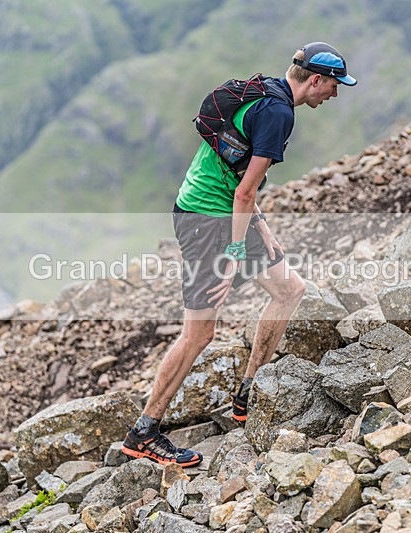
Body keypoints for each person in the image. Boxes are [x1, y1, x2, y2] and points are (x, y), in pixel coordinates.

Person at [121, 42, 357, 466]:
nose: (334, 95)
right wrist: (233, 254)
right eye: (334, 86)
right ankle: (144, 432)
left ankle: (248, 393)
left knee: (289, 289)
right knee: (199, 334)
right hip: (205, 220)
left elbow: (238, 174)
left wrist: (260, 227)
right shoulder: (280, 114)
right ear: (317, 80)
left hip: (228, 212)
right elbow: (245, 189)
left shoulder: (265, 91)